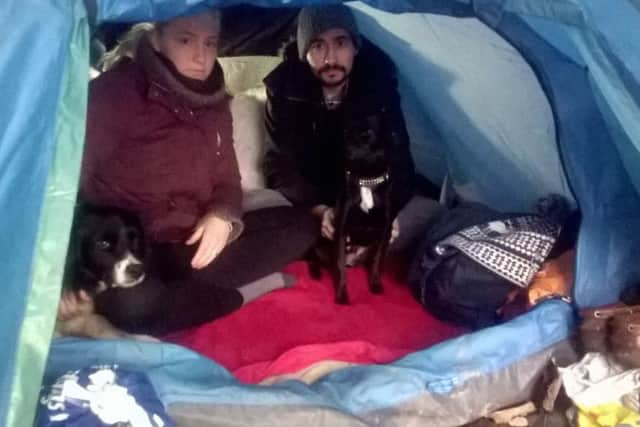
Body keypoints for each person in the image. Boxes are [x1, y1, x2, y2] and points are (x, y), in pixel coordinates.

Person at [58, 9, 317, 335]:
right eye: (186, 40)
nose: (201, 56)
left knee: (303, 227)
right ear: (156, 39)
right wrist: (61, 273)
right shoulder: (114, 94)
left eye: (210, 43)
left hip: (192, 239)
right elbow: (63, 185)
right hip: (133, 249)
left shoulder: (216, 102)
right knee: (132, 307)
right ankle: (238, 294)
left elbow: (227, 178)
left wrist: (223, 215)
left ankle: (185, 292)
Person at [263, 5, 439, 258]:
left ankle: (363, 246)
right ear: (304, 53)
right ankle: (340, 247)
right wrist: (320, 210)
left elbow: (398, 161)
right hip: (313, 202)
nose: (330, 58)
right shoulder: (283, 90)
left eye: (341, 43)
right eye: (317, 46)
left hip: (368, 197)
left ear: (355, 47)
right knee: (280, 227)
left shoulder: (378, 86)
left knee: (430, 213)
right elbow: (280, 165)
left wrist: (385, 213)